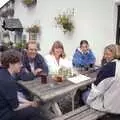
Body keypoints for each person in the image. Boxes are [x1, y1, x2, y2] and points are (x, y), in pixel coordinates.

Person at [0, 50, 48, 120]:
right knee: (34, 112)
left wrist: (29, 102)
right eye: (19, 63)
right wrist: (30, 104)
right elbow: (16, 107)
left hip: (4, 107)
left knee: (33, 110)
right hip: (4, 114)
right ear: (11, 64)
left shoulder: (3, 72)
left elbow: (13, 96)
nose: (21, 65)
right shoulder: (9, 81)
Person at [83, 45, 120, 114]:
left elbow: (96, 90)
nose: (105, 56)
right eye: (104, 54)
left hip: (110, 106)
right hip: (116, 101)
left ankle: (84, 113)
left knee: (84, 94)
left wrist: (89, 101)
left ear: (115, 54)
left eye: (108, 54)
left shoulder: (108, 69)